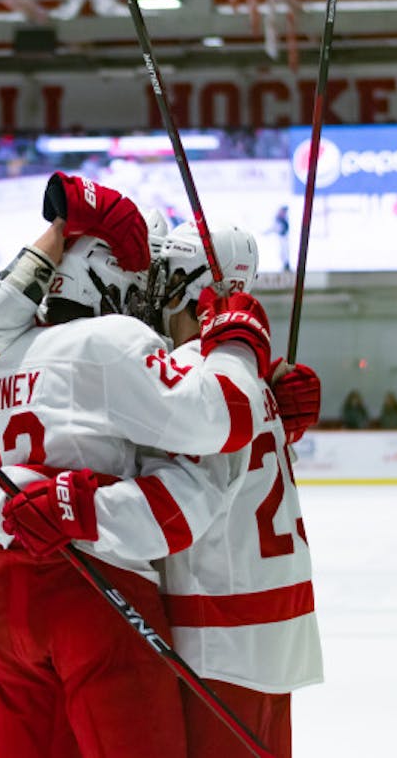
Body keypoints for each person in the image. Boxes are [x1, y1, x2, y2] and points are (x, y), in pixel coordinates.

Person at [0, 174, 277, 758]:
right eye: (140, 276)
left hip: (1, 596)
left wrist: (53, 232)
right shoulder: (111, 341)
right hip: (94, 585)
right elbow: (217, 420)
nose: (146, 296)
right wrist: (239, 347)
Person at [141, 222, 324, 758]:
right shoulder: (250, 381)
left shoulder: (184, 377)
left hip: (218, 637)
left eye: (166, 278)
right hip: (276, 635)